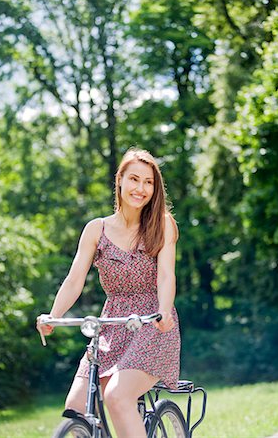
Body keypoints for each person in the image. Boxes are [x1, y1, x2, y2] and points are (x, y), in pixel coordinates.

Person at [37, 148, 181, 438]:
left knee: (116, 396)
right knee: (76, 408)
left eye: (149, 182)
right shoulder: (96, 229)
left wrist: (164, 312)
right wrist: (54, 316)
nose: (141, 188)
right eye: (134, 179)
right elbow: (75, 278)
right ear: (120, 181)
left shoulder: (162, 224)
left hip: (152, 324)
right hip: (111, 325)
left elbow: (166, 275)